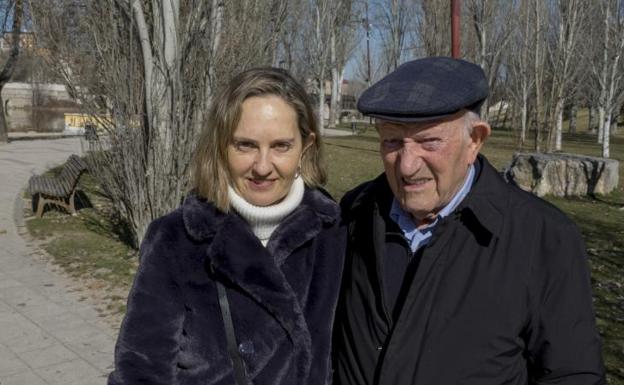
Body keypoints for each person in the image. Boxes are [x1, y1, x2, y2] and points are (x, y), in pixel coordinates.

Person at [332, 57, 605, 385]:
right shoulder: (356, 212)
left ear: (474, 140)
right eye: (392, 141)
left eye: (428, 142)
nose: (406, 166)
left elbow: (572, 375)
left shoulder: (542, 238)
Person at [108, 68, 345, 385]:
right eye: (245, 145)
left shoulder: (332, 232)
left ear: (306, 144)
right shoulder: (178, 239)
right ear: (221, 146)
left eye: (281, 146)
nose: (262, 166)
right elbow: (141, 369)